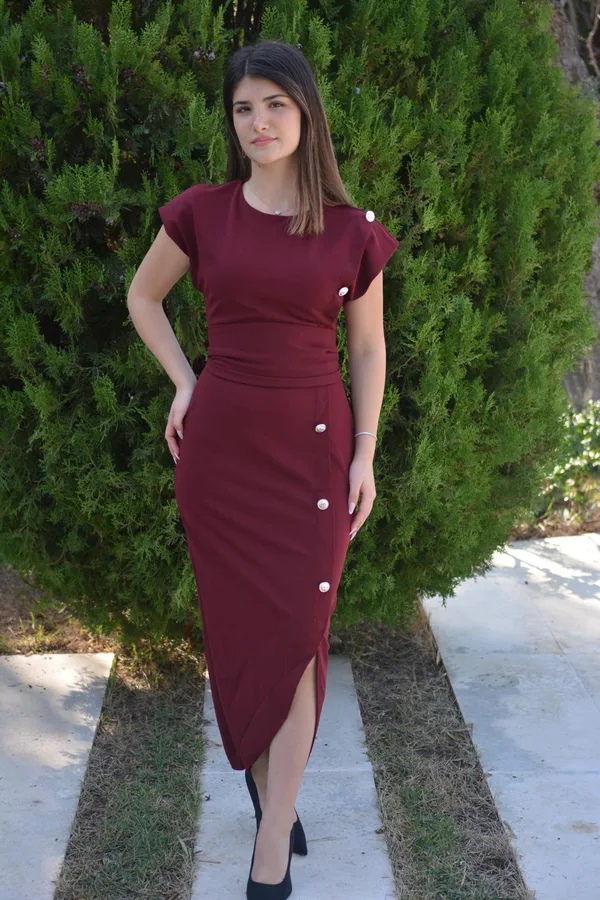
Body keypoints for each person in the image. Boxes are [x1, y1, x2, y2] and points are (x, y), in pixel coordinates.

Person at [127, 37, 399, 900]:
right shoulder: (203, 214)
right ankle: (268, 784)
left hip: (314, 458)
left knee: (300, 637)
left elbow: (368, 349)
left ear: (305, 112)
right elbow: (143, 296)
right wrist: (186, 381)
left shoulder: (351, 232)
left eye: (275, 104)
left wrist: (365, 453)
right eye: (243, 108)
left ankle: (272, 835)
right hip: (221, 460)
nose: (258, 122)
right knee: (243, 637)